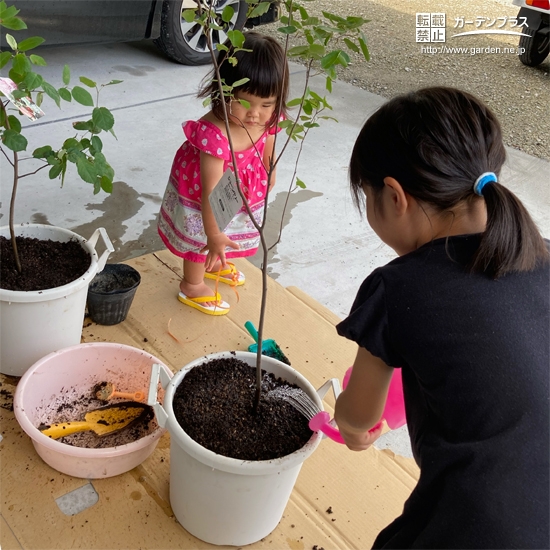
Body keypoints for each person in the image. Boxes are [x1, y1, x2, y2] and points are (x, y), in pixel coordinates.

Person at [333, 87, 549, 548]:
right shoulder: (543, 255)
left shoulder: (399, 288)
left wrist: (350, 426)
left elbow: (358, 416)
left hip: (481, 527)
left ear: (393, 196)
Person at [157, 32, 289, 315]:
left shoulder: (268, 117)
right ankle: (192, 284)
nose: (255, 114)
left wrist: (270, 168)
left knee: (229, 225)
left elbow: (269, 141)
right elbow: (211, 195)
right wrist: (212, 234)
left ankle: (215, 261)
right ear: (223, 90)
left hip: (238, 188)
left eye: (266, 104)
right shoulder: (216, 135)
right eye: (244, 102)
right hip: (204, 193)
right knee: (202, 236)